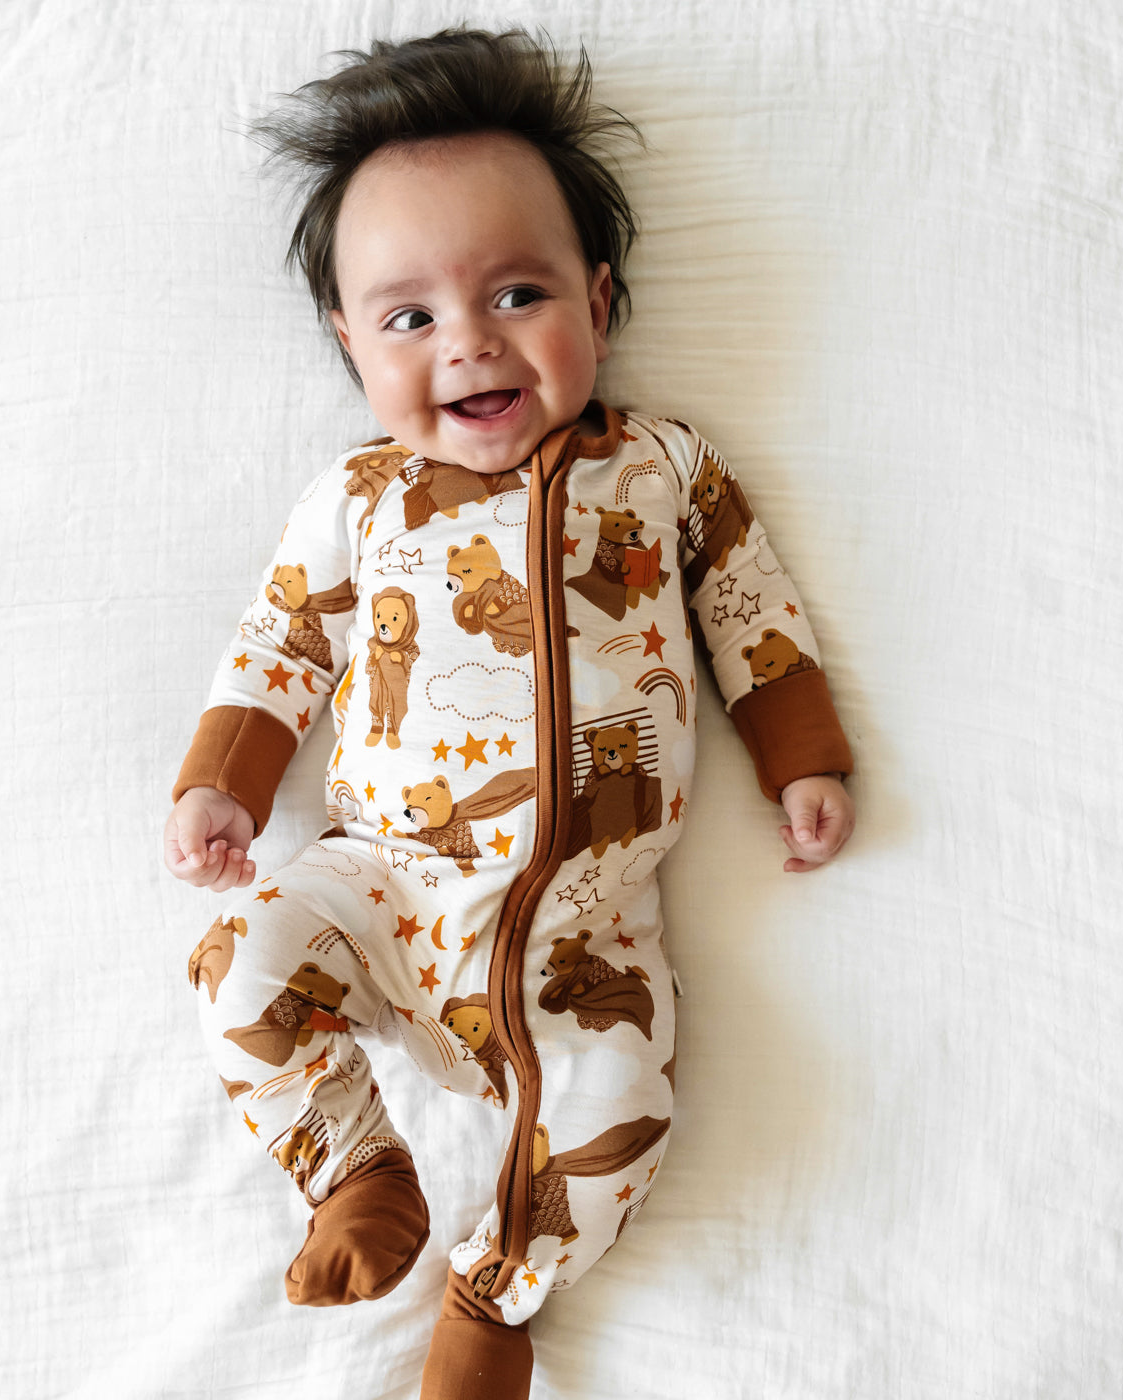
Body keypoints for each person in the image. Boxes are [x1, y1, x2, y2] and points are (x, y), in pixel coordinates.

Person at [163, 27, 855, 1400]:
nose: (469, 341)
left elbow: (753, 616)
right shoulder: (359, 498)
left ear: (600, 302)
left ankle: (494, 1298)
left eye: (519, 292)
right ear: (348, 341)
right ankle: (356, 1172)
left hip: (585, 933)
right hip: (386, 888)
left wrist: (804, 757)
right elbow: (282, 640)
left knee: (626, 1113)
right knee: (237, 957)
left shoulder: (663, 471)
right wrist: (223, 782)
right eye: (408, 316)